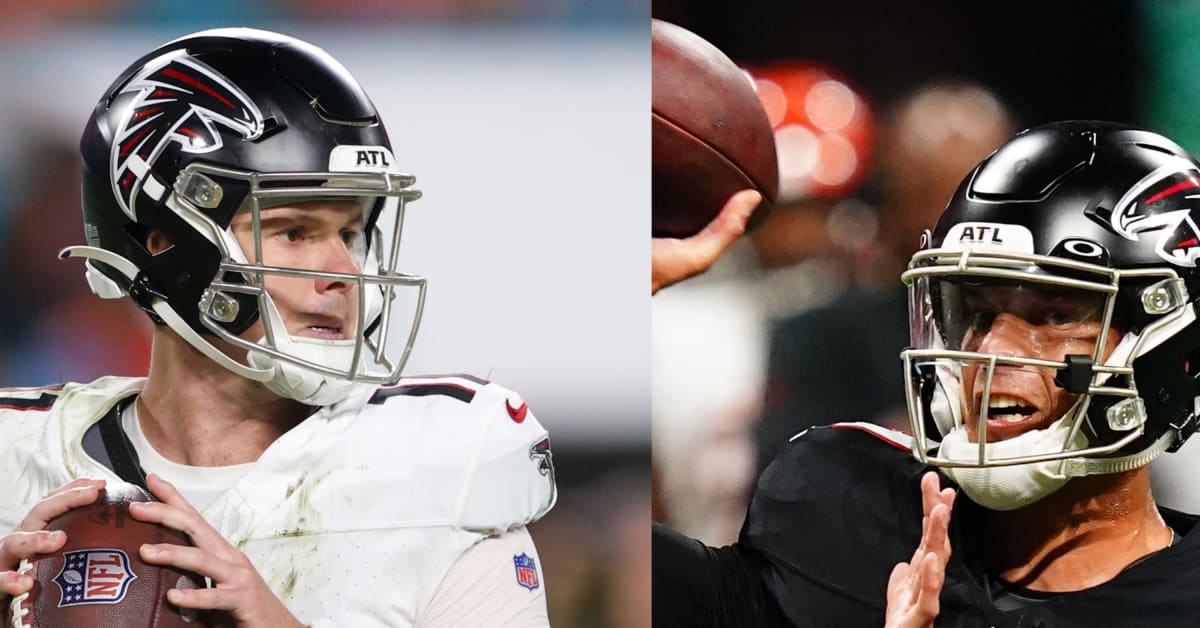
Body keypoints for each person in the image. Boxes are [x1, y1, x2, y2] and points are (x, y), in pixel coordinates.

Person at [0, 28, 556, 627]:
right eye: (294, 232)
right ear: (167, 248)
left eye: (351, 233)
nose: (344, 272)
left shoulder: (443, 473)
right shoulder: (17, 463)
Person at [652, 120, 1200, 627]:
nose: (992, 350)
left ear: (1174, 348)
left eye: (1054, 315)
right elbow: (600, 568)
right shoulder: (856, 510)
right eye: (978, 314)